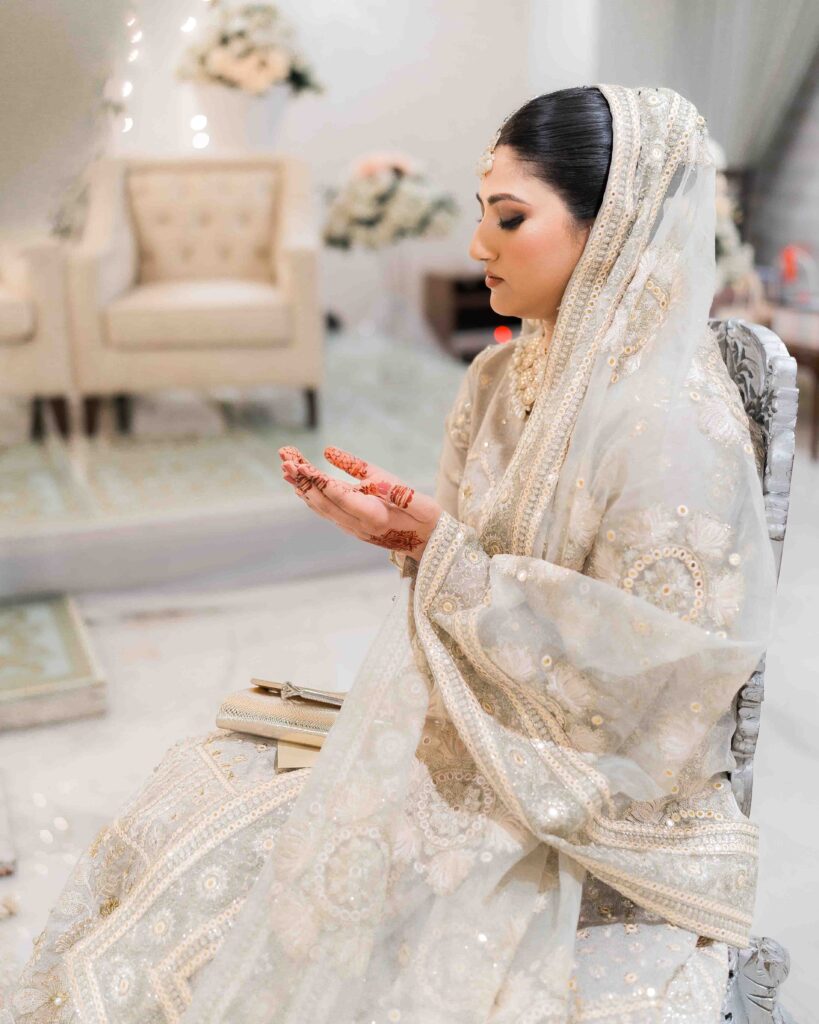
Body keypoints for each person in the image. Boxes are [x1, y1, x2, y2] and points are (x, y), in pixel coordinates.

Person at [2, 84, 777, 1024]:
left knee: (253, 903)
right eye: (480, 212)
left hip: (577, 789)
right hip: (470, 724)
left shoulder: (670, 425)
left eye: (509, 217)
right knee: (186, 802)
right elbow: (483, 556)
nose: (477, 244)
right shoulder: (500, 374)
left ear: (611, 227)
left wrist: (445, 554)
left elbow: (663, 676)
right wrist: (412, 536)